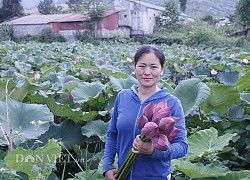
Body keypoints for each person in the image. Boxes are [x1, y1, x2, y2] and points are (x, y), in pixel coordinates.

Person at [102, 45, 188, 180]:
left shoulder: (172, 102)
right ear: (134, 68)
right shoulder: (122, 97)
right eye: (142, 66)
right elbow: (112, 134)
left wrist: (153, 151)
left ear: (162, 70)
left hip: (156, 177)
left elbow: (182, 147)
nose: (147, 72)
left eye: (154, 67)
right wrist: (107, 166)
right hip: (122, 175)